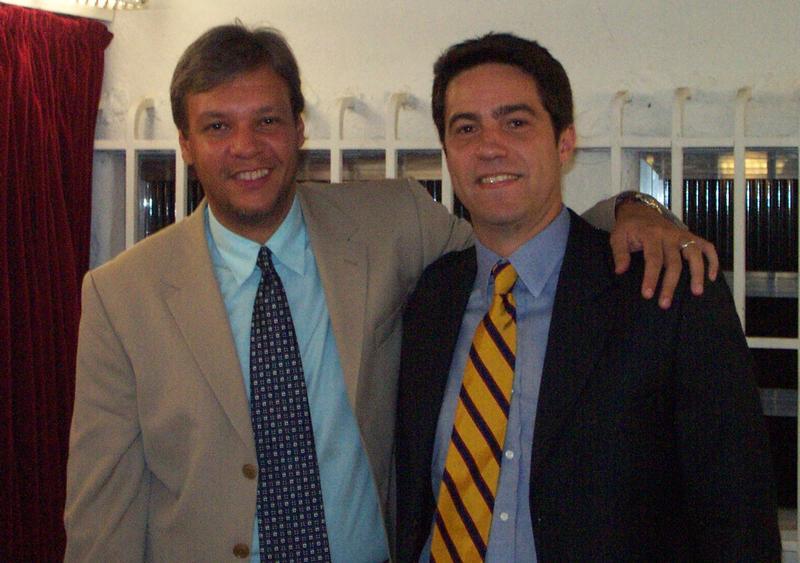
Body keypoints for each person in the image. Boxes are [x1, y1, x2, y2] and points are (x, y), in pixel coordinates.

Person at [64, 25, 717, 562]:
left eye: (266, 120)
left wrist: (633, 212)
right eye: (216, 127)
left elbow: (515, 237)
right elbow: (103, 514)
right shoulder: (122, 297)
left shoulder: (391, 223)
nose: (246, 147)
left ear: (299, 129)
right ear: (184, 143)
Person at [395, 33, 780, 562]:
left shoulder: (667, 293)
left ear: (564, 143)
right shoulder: (428, 300)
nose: (489, 146)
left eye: (515, 122)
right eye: (466, 128)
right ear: (447, 153)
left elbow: (739, 522)